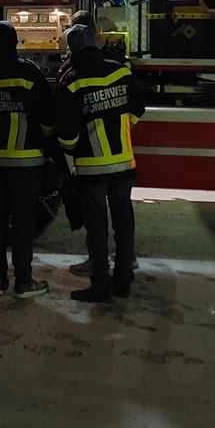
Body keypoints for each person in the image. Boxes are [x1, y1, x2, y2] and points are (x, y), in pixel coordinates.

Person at [0, 21, 56, 299]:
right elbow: (48, 118)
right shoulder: (29, 72)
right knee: (24, 221)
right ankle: (24, 281)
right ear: (15, 43)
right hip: (26, 162)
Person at [56, 24, 146, 301]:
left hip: (92, 169)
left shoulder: (71, 81)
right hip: (123, 165)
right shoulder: (121, 71)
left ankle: (100, 286)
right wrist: (124, 128)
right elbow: (138, 106)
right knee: (124, 222)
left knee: (97, 228)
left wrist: (72, 150)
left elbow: (67, 132)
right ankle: (124, 281)